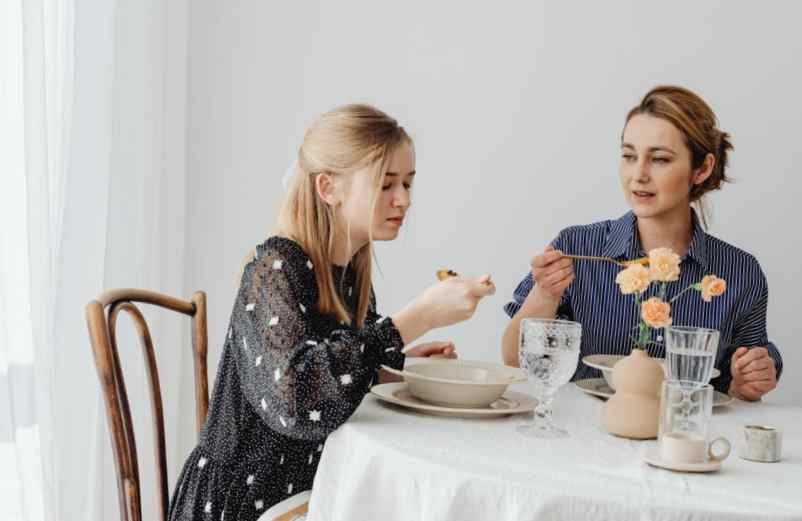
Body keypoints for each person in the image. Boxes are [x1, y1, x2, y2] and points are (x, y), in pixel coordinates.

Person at [169, 104, 495, 520]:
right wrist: (416, 318)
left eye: (409, 184)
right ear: (328, 188)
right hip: (246, 506)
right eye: (386, 185)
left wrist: (393, 368)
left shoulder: (351, 276)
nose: (403, 200)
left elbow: (332, 373)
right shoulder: (275, 267)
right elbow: (296, 402)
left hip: (311, 493)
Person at [501, 85, 782, 401]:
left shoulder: (740, 272)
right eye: (629, 156)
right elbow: (514, 360)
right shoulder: (576, 247)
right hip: (583, 437)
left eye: (659, 159)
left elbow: (740, 384)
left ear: (702, 168)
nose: (638, 175)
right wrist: (545, 293)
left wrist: (748, 381)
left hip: (680, 441)